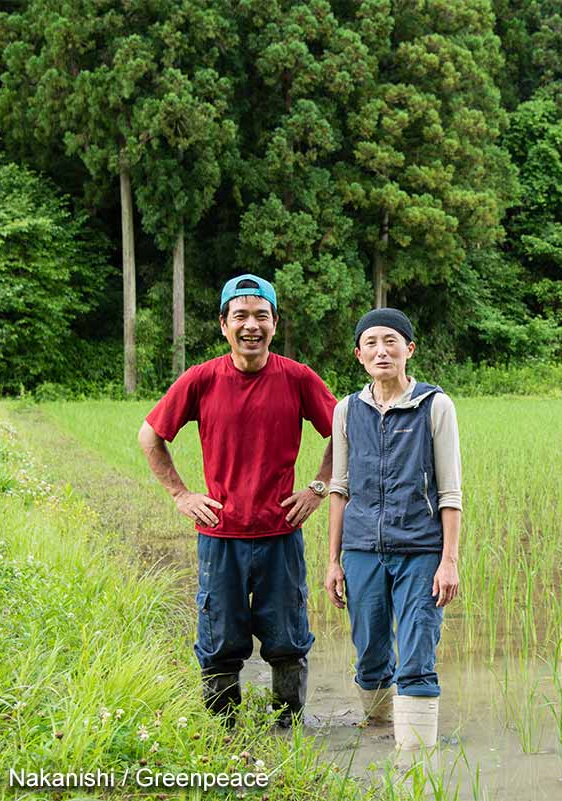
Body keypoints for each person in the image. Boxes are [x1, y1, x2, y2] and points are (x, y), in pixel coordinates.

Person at [138, 274, 336, 727]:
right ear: (223, 325)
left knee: (287, 638)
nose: (252, 325)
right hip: (220, 537)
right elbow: (149, 436)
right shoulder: (202, 379)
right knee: (220, 639)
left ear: (274, 322)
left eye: (261, 316)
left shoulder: (297, 377)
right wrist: (181, 494)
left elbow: (344, 433)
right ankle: (223, 733)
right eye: (241, 316)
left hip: (280, 535)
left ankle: (289, 728)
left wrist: (318, 487)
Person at [323, 308, 462, 753]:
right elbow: (339, 488)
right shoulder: (347, 410)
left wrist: (449, 560)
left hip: (420, 549)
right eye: (371, 343)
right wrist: (332, 561)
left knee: (418, 652)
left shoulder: (434, 405)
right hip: (362, 548)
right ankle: (380, 731)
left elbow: (450, 491)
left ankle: (416, 762)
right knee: (369, 653)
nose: (381, 350)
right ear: (359, 354)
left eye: (391, 341)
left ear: (409, 349)